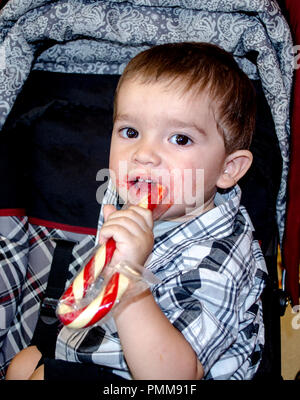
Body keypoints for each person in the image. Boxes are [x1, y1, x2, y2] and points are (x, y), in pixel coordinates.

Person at [5, 42, 267, 381]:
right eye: (130, 132)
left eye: (180, 139)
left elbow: (176, 378)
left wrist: (129, 278)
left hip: (166, 372)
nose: (144, 154)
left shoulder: (223, 258)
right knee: (23, 363)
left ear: (228, 169)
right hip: (113, 348)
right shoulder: (124, 202)